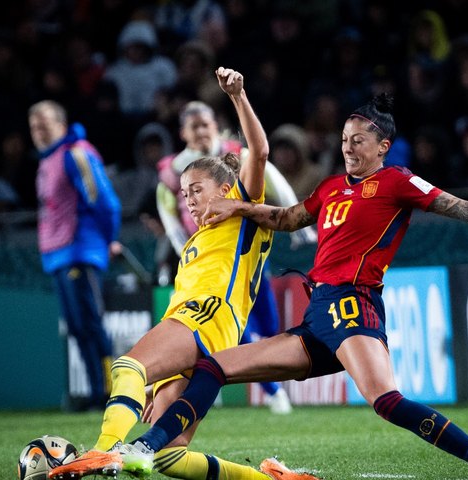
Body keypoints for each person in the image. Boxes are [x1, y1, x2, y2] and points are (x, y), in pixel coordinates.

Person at [121, 94, 468, 480]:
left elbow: (463, 207)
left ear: (383, 145)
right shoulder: (329, 189)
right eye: (344, 140)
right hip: (317, 315)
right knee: (213, 367)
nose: (348, 147)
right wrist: (238, 208)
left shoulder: (396, 182)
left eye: (358, 140)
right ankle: (145, 447)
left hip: (353, 307)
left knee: (386, 401)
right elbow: (285, 219)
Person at [50, 67, 317, 480]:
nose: (188, 200)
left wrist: (238, 97)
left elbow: (259, 152)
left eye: (196, 190)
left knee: (129, 368)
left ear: (226, 190)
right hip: (207, 328)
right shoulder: (196, 239)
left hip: (204, 316)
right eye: (184, 192)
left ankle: (103, 451)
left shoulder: (240, 212)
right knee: (168, 456)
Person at [156, 100, 316, 414]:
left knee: (267, 324)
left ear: (215, 125)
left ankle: (254, 381)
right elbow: (169, 217)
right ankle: (268, 391)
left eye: (206, 123)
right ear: (183, 132)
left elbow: (269, 175)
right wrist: (187, 255)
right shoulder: (173, 172)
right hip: (211, 261)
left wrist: (299, 225)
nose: (202, 131)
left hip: (247, 249)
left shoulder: (234, 154)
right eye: (194, 126)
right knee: (230, 322)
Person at [28, 100, 122, 411]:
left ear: (61, 124)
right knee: (77, 327)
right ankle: (96, 390)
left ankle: (110, 391)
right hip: (58, 254)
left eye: (45, 124)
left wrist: (109, 239)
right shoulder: (47, 159)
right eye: (34, 126)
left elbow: (105, 201)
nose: (38, 131)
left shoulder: (76, 153)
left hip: (81, 249)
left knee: (91, 323)